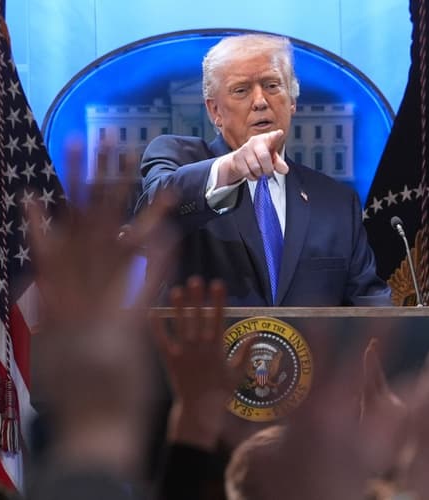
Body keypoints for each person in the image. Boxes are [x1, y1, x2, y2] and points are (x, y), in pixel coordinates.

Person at [135, 33, 390, 307]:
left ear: (292, 101)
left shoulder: (337, 202)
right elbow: (153, 214)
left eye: (272, 85)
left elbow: (372, 312)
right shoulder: (177, 157)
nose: (260, 101)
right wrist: (231, 168)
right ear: (215, 111)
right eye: (241, 90)